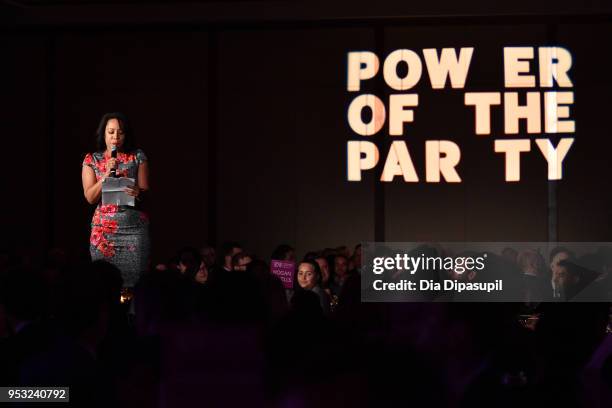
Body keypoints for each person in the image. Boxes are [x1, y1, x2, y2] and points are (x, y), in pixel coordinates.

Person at [82, 112, 150, 287]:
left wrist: (138, 192)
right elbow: (90, 197)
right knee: (103, 284)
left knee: (134, 284)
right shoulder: (92, 159)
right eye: (111, 132)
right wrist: (105, 176)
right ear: (103, 133)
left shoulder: (137, 156)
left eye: (120, 132)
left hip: (134, 231)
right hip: (104, 232)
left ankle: (133, 314)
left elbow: (147, 192)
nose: (115, 137)